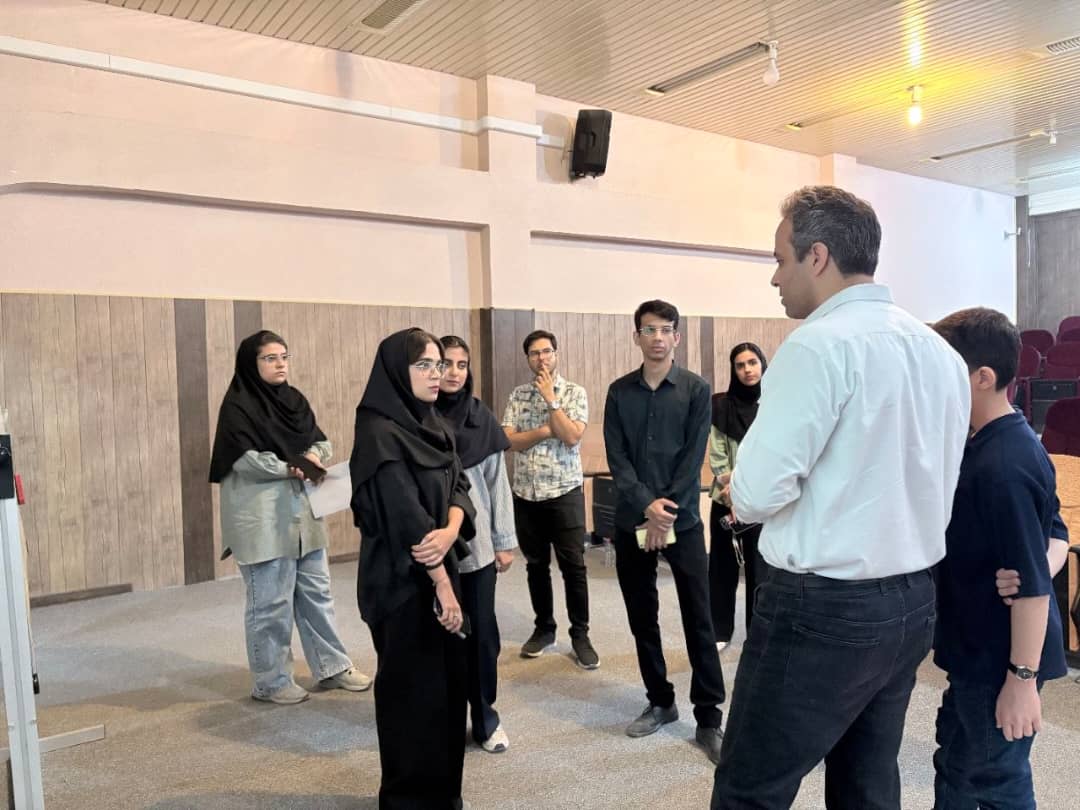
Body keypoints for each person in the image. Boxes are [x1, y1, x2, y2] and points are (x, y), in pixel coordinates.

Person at [710, 186, 971, 810]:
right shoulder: (940, 352)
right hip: (913, 597)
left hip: (823, 605)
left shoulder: (816, 345)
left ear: (818, 256)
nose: (775, 277)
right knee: (867, 784)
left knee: (751, 788)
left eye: (781, 260)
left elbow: (756, 492)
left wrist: (735, 484)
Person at [930, 307, 1070, 810]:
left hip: (1001, 659)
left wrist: (1021, 681)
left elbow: (1030, 592)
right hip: (975, 648)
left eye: (944, 369)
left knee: (998, 782)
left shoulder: (1005, 464)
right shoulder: (982, 440)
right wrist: (1041, 562)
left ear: (983, 377)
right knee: (956, 766)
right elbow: (1054, 531)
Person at [350, 328, 477, 810]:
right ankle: (406, 801)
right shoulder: (378, 432)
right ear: (396, 372)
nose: (436, 373)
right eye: (423, 364)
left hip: (443, 565)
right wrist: (442, 583)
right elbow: (405, 518)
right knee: (412, 697)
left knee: (448, 691)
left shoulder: (432, 422)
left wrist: (450, 530)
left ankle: (444, 796)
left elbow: (460, 485)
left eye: (439, 364)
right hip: (402, 585)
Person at [209, 330, 370, 705]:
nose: (280, 363)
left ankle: (331, 666)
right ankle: (271, 681)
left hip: (304, 518)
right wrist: (289, 467)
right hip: (263, 521)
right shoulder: (237, 407)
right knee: (270, 604)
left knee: (317, 594)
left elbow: (321, 440)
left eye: (284, 356)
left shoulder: (294, 400)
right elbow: (245, 460)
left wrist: (312, 456)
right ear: (251, 363)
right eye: (270, 358)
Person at [603, 299, 726, 764]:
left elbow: (693, 458)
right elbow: (618, 459)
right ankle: (660, 701)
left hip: (684, 521)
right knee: (642, 616)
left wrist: (665, 512)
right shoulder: (619, 392)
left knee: (700, 617)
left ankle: (709, 717)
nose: (657, 337)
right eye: (648, 329)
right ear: (636, 336)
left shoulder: (696, 389)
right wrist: (646, 508)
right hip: (633, 519)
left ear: (677, 336)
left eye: (665, 329)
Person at [437, 334, 518, 754]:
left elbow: (497, 484)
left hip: (478, 546)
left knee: (482, 635)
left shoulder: (480, 418)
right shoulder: (416, 416)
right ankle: (444, 719)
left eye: (461, 364)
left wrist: (504, 541)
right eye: (445, 363)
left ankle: (486, 718)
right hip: (431, 550)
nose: (453, 372)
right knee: (439, 637)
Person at [502, 329, 599, 669]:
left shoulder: (574, 392)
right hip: (526, 493)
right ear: (528, 359)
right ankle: (544, 629)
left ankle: (580, 635)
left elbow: (571, 436)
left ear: (556, 354)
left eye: (546, 352)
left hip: (564, 491)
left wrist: (550, 401)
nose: (541, 358)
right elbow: (509, 441)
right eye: (534, 353)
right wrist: (546, 430)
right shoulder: (517, 395)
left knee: (574, 567)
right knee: (536, 565)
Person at [708, 342, 768, 650]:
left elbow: (774, 454)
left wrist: (746, 493)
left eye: (752, 363)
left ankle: (756, 632)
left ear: (763, 365)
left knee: (760, 572)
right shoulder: (720, 405)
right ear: (733, 370)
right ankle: (720, 630)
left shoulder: (774, 404)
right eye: (740, 365)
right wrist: (733, 497)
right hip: (725, 501)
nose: (747, 370)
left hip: (761, 504)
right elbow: (718, 457)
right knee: (722, 568)